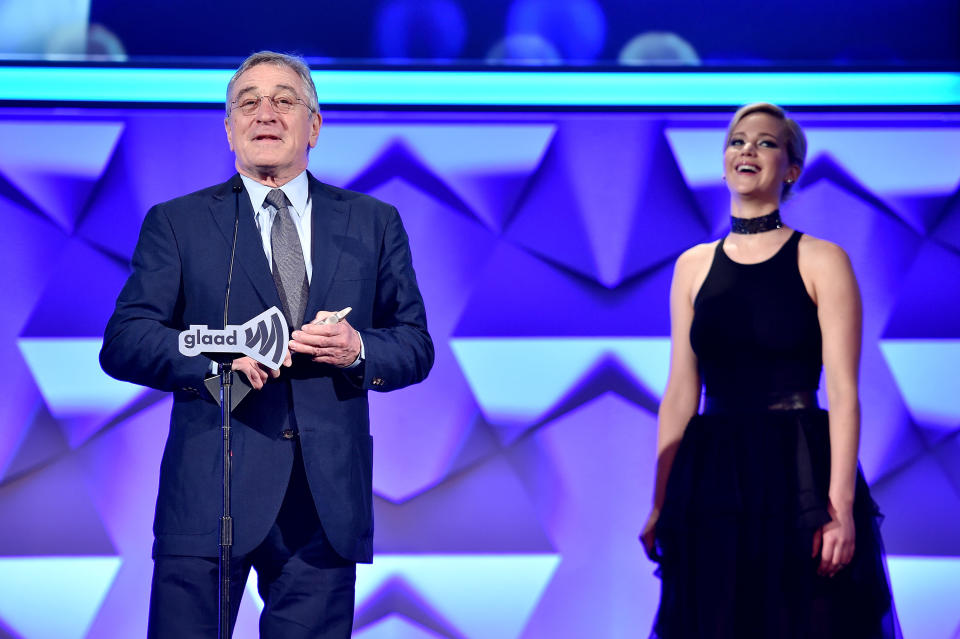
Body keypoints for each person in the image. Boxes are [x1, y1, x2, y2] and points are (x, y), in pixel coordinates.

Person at [100, 51, 434, 638]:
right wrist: (213, 354)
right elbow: (125, 340)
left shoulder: (373, 222)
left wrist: (358, 350)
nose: (265, 113)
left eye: (284, 100)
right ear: (229, 129)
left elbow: (413, 344)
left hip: (324, 504)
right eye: (247, 102)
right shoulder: (178, 223)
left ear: (315, 126)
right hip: (209, 493)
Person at [640, 102, 899, 638]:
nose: (747, 150)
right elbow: (681, 392)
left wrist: (841, 509)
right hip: (713, 476)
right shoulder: (693, 265)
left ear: (792, 170)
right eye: (737, 141)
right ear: (724, 162)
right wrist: (660, 503)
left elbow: (845, 393)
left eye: (765, 142)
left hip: (798, 470)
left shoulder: (823, 259)